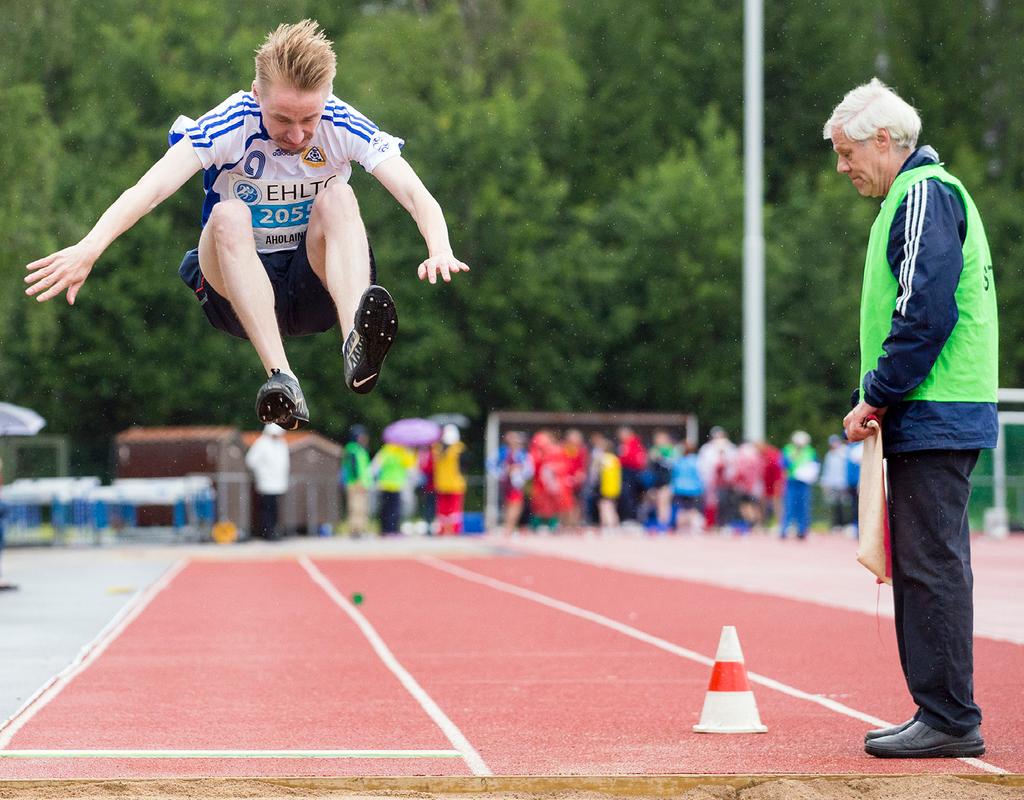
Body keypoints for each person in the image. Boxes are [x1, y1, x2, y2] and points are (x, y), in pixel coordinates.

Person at [24, 20, 469, 430]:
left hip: (314, 283)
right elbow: (150, 189)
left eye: (309, 119)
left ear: (328, 97)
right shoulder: (229, 124)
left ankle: (356, 341)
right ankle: (281, 378)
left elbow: (415, 193)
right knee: (228, 213)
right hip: (236, 290)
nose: (296, 136)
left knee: (339, 197)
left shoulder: (341, 122)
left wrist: (439, 245)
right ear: (256, 94)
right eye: (282, 119)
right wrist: (90, 247)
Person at [825, 78, 996, 758]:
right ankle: (940, 708)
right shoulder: (915, 194)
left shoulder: (923, 193)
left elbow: (923, 308)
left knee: (931, 565)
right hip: (932, 406)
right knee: (927, 561)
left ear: (887, 141)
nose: (842, 168)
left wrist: (879, 391)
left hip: (935, 405)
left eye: (846, 152)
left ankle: (951, 716)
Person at [245, 423, 290, 540]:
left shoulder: (281, 444)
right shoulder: (261, 443)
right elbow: (251, 461)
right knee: (266, 508)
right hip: (265, 482)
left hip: (278, 483)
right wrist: (262, 471)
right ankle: (267, 532)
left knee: (274, 509)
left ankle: (273, 530)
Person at [371, 441, 416, 535]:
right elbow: (411, 467)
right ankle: (394, 530)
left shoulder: (385, 451)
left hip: (385, 484)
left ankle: (385, 530)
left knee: (385, 509)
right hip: (397, 485)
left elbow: (375, 467)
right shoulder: (402, 452)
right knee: (395, 510)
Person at [779, 431, 818, 540]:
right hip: (792, 481)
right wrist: (790, 459)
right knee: (789, 506)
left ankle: (802, 530)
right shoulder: (788, 449)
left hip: (804, 483)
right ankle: (784, 529)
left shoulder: (810, 451)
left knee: (804, 507)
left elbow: (815, 465)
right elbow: (782, 464)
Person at [432, 425, 467, 535]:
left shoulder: (437, 448)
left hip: (443, 484)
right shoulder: (459, 448)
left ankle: (445, 530)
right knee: (453, 510)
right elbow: (465, 467)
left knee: (444, 510)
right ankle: (453, 530)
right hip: (454, 484)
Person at [340, 424, 372, 537]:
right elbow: (353, 467)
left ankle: (361, 529)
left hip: (361, 483)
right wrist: (358, 480)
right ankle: (356, 530)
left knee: (362, 508)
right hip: (356, 483)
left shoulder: (359, 450)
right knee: (356, 507)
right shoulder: (353, 449)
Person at [819, 434, 851, 532]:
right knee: (835, 504)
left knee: (844, 504)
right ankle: (836, 524)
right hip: (832, 483)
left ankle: (845, 524)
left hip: (843, 482)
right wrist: (825, 482)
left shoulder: (845, 452)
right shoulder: (829, 455)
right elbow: (827, 469)